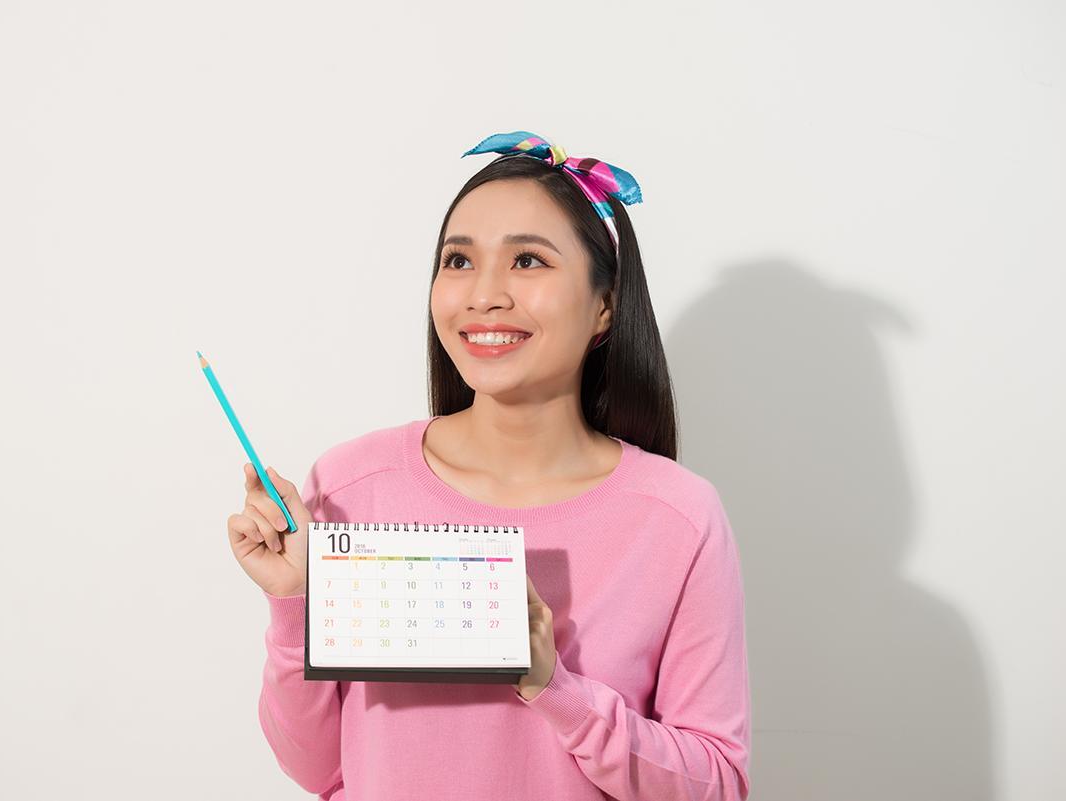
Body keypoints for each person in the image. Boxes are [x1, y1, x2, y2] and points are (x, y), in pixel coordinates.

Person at [226, 131, 751, 801]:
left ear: (606, 305)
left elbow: (720, 785)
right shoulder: (353, 486)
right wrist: (294, 602)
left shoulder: (679, 518)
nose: (484, 295)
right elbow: (318, 766)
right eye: (458, 261)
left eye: (528, 260)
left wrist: (554, 686)